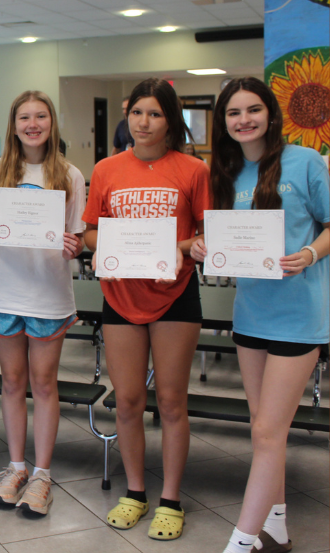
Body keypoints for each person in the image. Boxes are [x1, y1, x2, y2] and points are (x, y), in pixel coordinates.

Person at [188, 77, 329, 553]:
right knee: (264, 429)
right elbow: (223, 238)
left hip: (299, 316)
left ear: (270, 113)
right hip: (250, 316)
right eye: (233, 113)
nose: (243, 119)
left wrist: (310, 253)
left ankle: (242, 542)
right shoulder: (224, 171)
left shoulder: (306, 162)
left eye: (252, 110)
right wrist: (206, 247)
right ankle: (278, 528)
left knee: (269, 432)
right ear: (223, 122)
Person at [82, 78, 210, 540]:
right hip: (120, 294)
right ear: (127, 115)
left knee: (172, 403)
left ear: (171, 119)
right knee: (129, 400)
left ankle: (171, 499)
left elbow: (204, 234)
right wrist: (103, 247)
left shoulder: (193, 170)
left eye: (155, 114)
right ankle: (135, 492)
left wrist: (179, 247)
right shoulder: (106, 169)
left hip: (175, 294)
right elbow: (92, 233)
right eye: (137, 112)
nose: (144, 122)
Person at [0, 91, 85, 514]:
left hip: (49, 294)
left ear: (51, 123)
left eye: (40, 116)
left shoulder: (70, 174)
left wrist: (75, 246)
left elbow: (76, 237)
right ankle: (16, 466)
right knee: (12, 382)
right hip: (5, 291)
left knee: (45, 384)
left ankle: (42, 475)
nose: (32, 124)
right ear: (13, 124)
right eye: (24, 117)